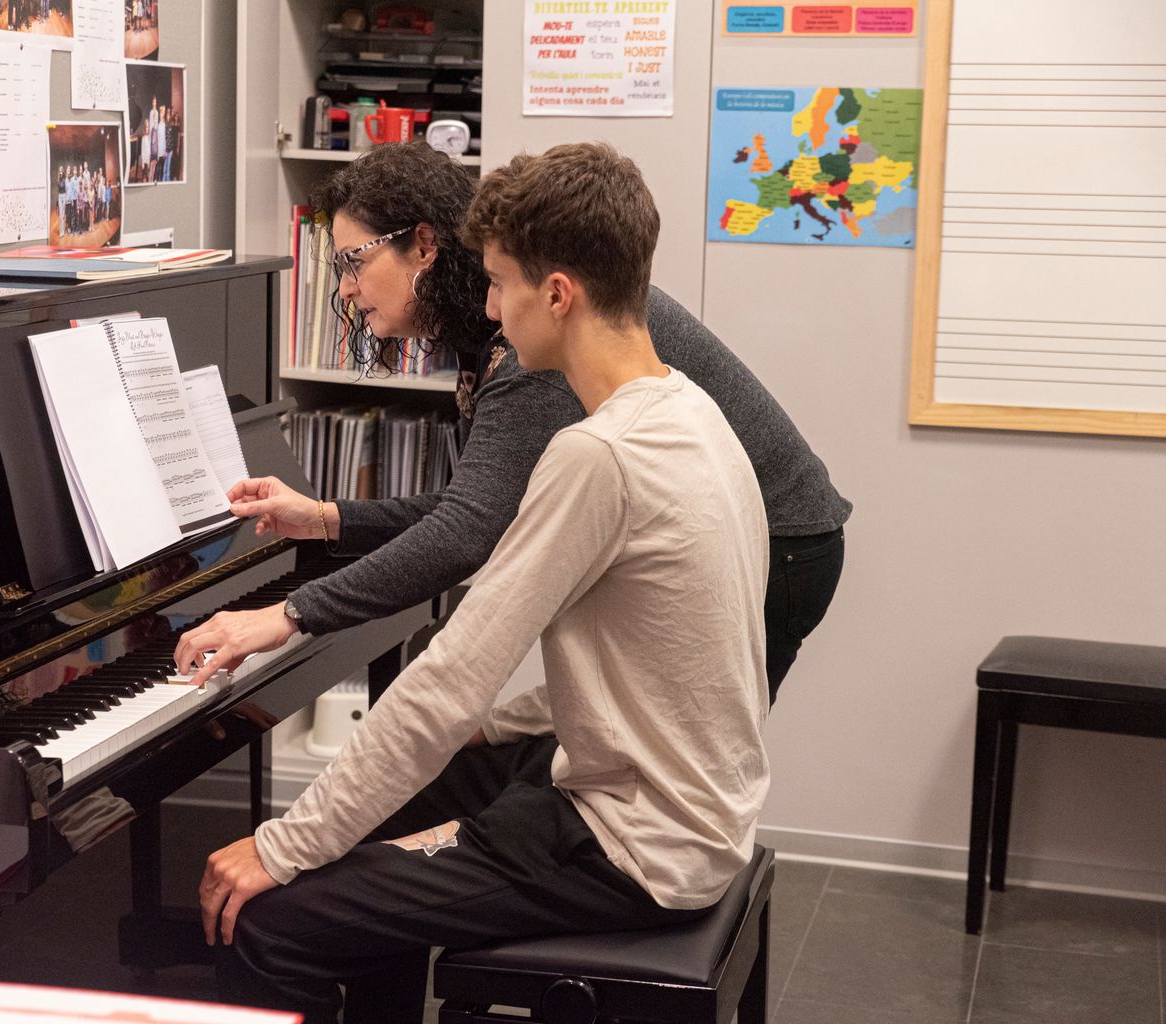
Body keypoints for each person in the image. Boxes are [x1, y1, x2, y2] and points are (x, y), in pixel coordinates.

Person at [192, 142, 770, 1024]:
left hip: (632, 846)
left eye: (500, 284)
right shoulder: (689, 412)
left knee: (269, 916)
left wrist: (281, 846)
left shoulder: (595, 455)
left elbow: (451, 678)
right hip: (688, 806)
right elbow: (673, 668)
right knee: (405, 794)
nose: (490, 306)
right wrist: (493, 732)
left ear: (559, 294)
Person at [175, 141, 850, 707]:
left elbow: (471, 529)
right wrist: (327, 518)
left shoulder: (530, 349)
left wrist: (285, 615)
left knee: (667, 776)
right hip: (777, 536)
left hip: (783, 546)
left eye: (353, 261)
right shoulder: (492, 327)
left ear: (424, 247)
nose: (344, 289)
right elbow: (482, 503)